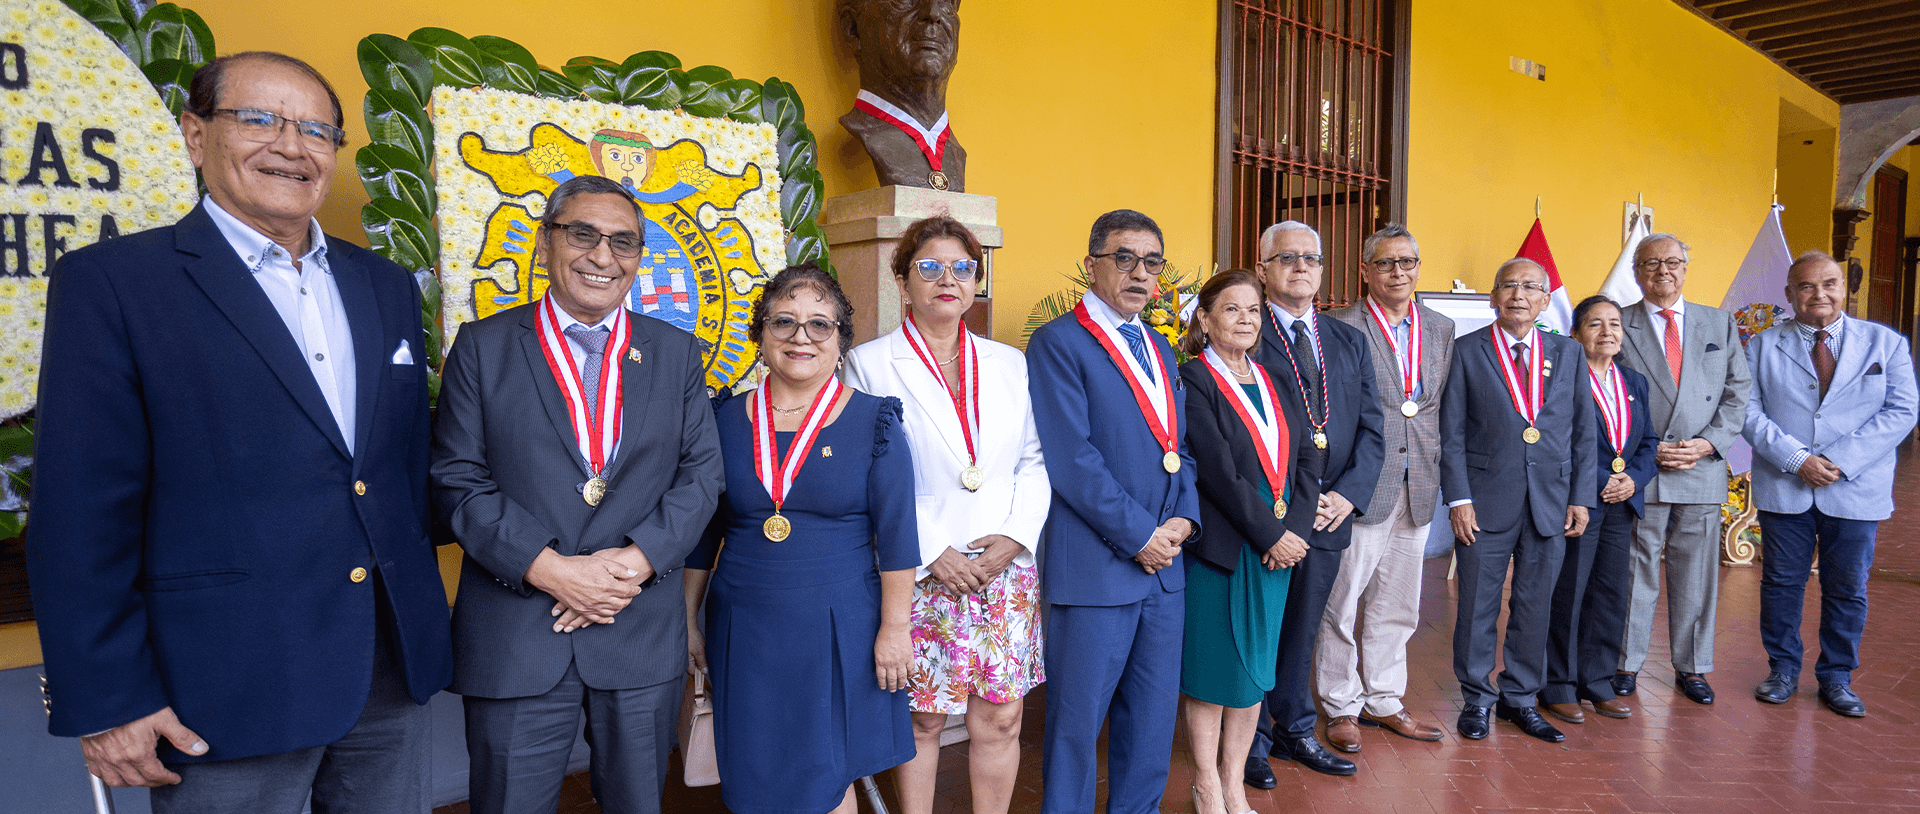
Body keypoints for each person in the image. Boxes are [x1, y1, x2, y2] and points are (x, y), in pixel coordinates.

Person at [25, 52, 453, 811]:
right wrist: (107, 697)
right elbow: (80, 511)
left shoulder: (383, 286)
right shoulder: (116, 283)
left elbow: (396, 468)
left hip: (387, 672)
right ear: (196, 135)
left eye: (318, 130)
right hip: (223, 687)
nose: (293, 145)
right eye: (261, 119)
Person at [429, 175, 724, 814]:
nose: (602, 255)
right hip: (518, 630)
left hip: (637, 626)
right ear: (545, 243)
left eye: (623, 242)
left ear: (639, 257)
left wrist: (632, 565)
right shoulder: (483, 347)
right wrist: (553, 570)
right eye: (583, 234)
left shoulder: (675, 354)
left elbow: (701, 477)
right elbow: (456, 479)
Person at [684, 265, 918, 814]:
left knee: (825, 774)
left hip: (841, 624)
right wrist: (688, 618)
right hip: (744, 623)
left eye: (820, 324)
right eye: (784, 322)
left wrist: (895, 629)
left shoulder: (873, 421)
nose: (801, 337)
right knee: (753, 769)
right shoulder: (721, 419)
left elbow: (898, 536)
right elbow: (702, 532)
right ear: (760, 335)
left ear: (841, 340)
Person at [843, 216, 1049, 814]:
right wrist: (933, 548)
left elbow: (1035, 460)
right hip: (921, 569)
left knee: (1002, 718)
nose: (947, 279)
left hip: (1003, 570)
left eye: (962, 268)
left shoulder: (1010, 364)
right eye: (929, 267)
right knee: (923, 721)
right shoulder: (868, 365)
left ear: (975, 282)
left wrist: (1014, 537)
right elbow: (870, 475)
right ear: (903, 281)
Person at [1027, 209, 1199, 814]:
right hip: (1099, 569)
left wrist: (1183, 521)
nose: (1139, 272)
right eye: (1123, 258)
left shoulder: (1158, 345)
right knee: (1076, 730)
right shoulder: (1058, 343)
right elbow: (1072, 459)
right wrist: (1140, 536)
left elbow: (1180, 447)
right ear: (1091, 264)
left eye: (1152, 262)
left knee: (1151, 727)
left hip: (1164, 569)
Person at [1743, 250, 1917, 717]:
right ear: (1789, 294)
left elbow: (1902, 411)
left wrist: (1837, 461)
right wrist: (1797, 458)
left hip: (1856, 487)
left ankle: (1837, 678)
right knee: (1781, 582)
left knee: (1848, 586)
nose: (1818, 293)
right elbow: (1746, 410)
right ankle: (1781, 671)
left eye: (1829, 284)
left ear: (1844, 289)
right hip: (1787, 483)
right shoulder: (1761, 346)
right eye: (1806, 286)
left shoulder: (1887, 344)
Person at [1244, 220, 1384, 784]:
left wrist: (1346, 497)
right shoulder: (1246, 333)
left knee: (1305, 626)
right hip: (1271, 515)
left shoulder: (1348, 339)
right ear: (1263, 269)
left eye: (1311, 258)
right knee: (1263, 624)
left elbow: (1374, 428)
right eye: (1287, 258)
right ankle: (1249, 740)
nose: (1301, 267)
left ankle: (1294, 729)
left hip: (1331, 515)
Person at [1175, 270, 1319, 814]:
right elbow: (1216, 473)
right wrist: (1271, 534)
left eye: (1254, 310)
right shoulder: (1194, 379)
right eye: (1231, 309)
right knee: (1216, 673)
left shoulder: (1277, 377)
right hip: (1230, 548)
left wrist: (1295, 534)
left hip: (1279, 548)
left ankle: (1235, 783)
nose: (1245, 319)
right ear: (1205, 319)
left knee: (1257, 671)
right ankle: (1206, 783)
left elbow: (1308, 459)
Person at [1440, 258, 1595, 744]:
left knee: (1535, 605)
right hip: (1484, 501)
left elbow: (1583, 431)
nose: (1519, 295)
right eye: (1509, 286)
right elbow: (1451, 431)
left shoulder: (1568, 353)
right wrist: (1458, 498)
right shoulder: (1466, 350)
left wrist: (1580, 496)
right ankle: (1476, 697)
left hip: (1551, 499)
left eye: (1531, 287)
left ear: (1546, 300)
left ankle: (1521, 698)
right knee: (1477, 606)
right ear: (1493, 296)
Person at [1316, 224, 1452, 753]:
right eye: (1387, 263)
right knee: (1342, 600)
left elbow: (1441, 408)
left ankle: (1384, 698)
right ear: (1366, 271)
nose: (1399, 272)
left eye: (1408, 262)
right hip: (1359, 484)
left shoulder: (1440, 328)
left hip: (1418, 482)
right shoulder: (1339, 325)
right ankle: (1340, 704)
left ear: (1418, 268)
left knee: (1399, 601)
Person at [1612, 233, 1750, 706]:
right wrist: (1640, 457)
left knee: (1696, 575)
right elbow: (1602, 391)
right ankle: (1624, 663)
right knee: (1636, 571)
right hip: (1640, 472)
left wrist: (1707, 443)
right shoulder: (1620, 323)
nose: (1663, 271)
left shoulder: (1719, 322)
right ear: (1637, 273)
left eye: (1673, 262)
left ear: (1687, 267)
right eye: (1651, 264)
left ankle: (1692, 667)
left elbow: (1738, 393)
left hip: (1700, 467)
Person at [1541, 296, 1659, 725]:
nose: (1607, 332)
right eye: (1595, 324)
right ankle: (1557, 684)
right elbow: (1554, 443)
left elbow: (1648, 442)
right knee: (1569, 591)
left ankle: (1598, 681)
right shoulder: (1560, 381)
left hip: (1622, 503)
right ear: (1575, 333)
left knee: (1610, 593)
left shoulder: (1634, 381)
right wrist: (1596, 482)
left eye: (1614, 324)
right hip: (1579, 503)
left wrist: (1634, 479)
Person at [835, 0, 967, 190]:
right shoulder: (867, 135)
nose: (933, 13)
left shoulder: (955, 153)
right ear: (853, 29)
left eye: (946, 2)